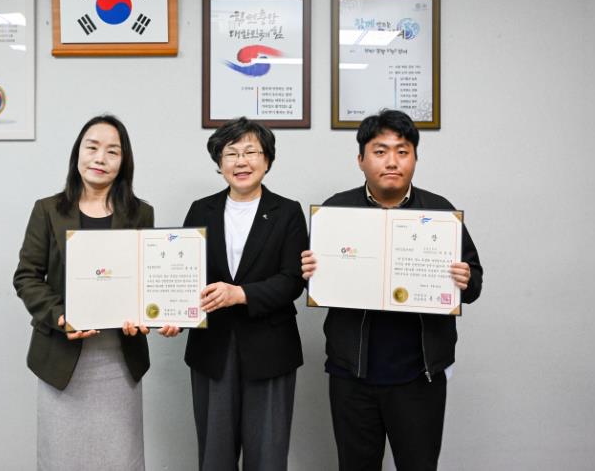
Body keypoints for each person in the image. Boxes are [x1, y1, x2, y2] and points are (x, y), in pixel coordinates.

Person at [301, 110, 483, 471]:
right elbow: (313, 281)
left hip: (419, 376)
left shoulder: (440, 212)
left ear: (415, 158)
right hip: (352, 374)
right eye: (380, 151)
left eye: (402, 151)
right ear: (361, 159)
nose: (392, 161)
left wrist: (466, 278)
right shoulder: (336, 211)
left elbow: (474, 283)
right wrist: (308, 272)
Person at [13, 115, 175, 470]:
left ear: (123, 162)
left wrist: (153, 313)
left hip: (119, 360)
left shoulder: (140, 213)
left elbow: (146, 279)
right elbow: (27, 277)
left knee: (119, 458)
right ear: (78, 154)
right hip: (60, 359)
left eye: (112, 151)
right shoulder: (47, 210)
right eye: (92, 147)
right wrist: (61, 316)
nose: (100, 158)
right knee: (62, 458)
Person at [182, 117, 308, 471]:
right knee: (215, 457)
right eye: (231, 153)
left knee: (268, 456)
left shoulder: (288, 212)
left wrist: (241, 294)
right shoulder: (200, 209)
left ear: (267, 160)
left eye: (251, 152)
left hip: (271, 349)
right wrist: (172, 312)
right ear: (219, 162)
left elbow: (292, 280)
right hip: (212, 348)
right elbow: (183, 273)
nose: (241, 161)